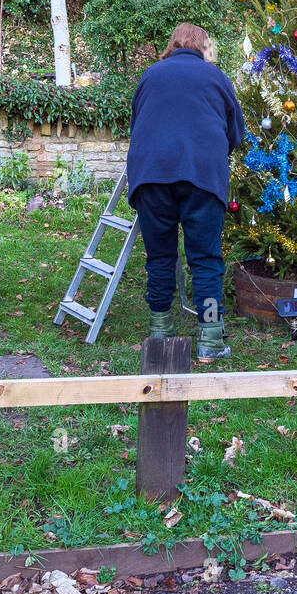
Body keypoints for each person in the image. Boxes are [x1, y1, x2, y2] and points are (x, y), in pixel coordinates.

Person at [126, 23, 244, 363]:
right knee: (205, 259)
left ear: (173, 43)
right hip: (201, 176)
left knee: (160, 257)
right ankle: (209, 336)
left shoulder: (151, 74)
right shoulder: (215, 77)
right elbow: (234, 133)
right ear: (203, 46)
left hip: (151, 176)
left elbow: (138, 124)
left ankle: (160, 331)